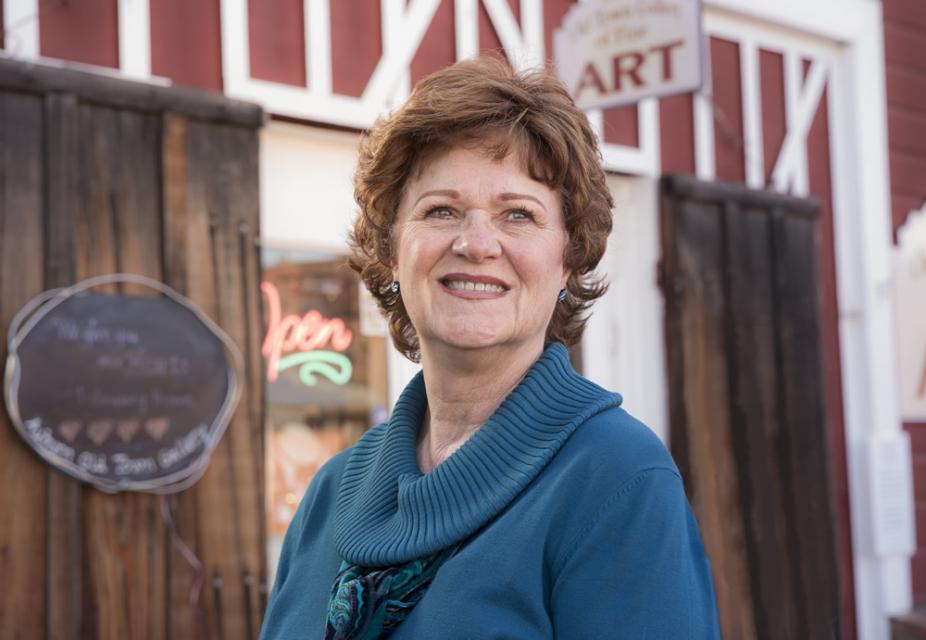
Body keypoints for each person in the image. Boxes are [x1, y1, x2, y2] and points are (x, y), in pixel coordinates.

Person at [260, 55, 720, 639]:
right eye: (442, 210)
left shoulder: (617, 481)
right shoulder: (331, 492)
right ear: (392, 251)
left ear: (566, 262)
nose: (476, 244)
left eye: (518, 215)